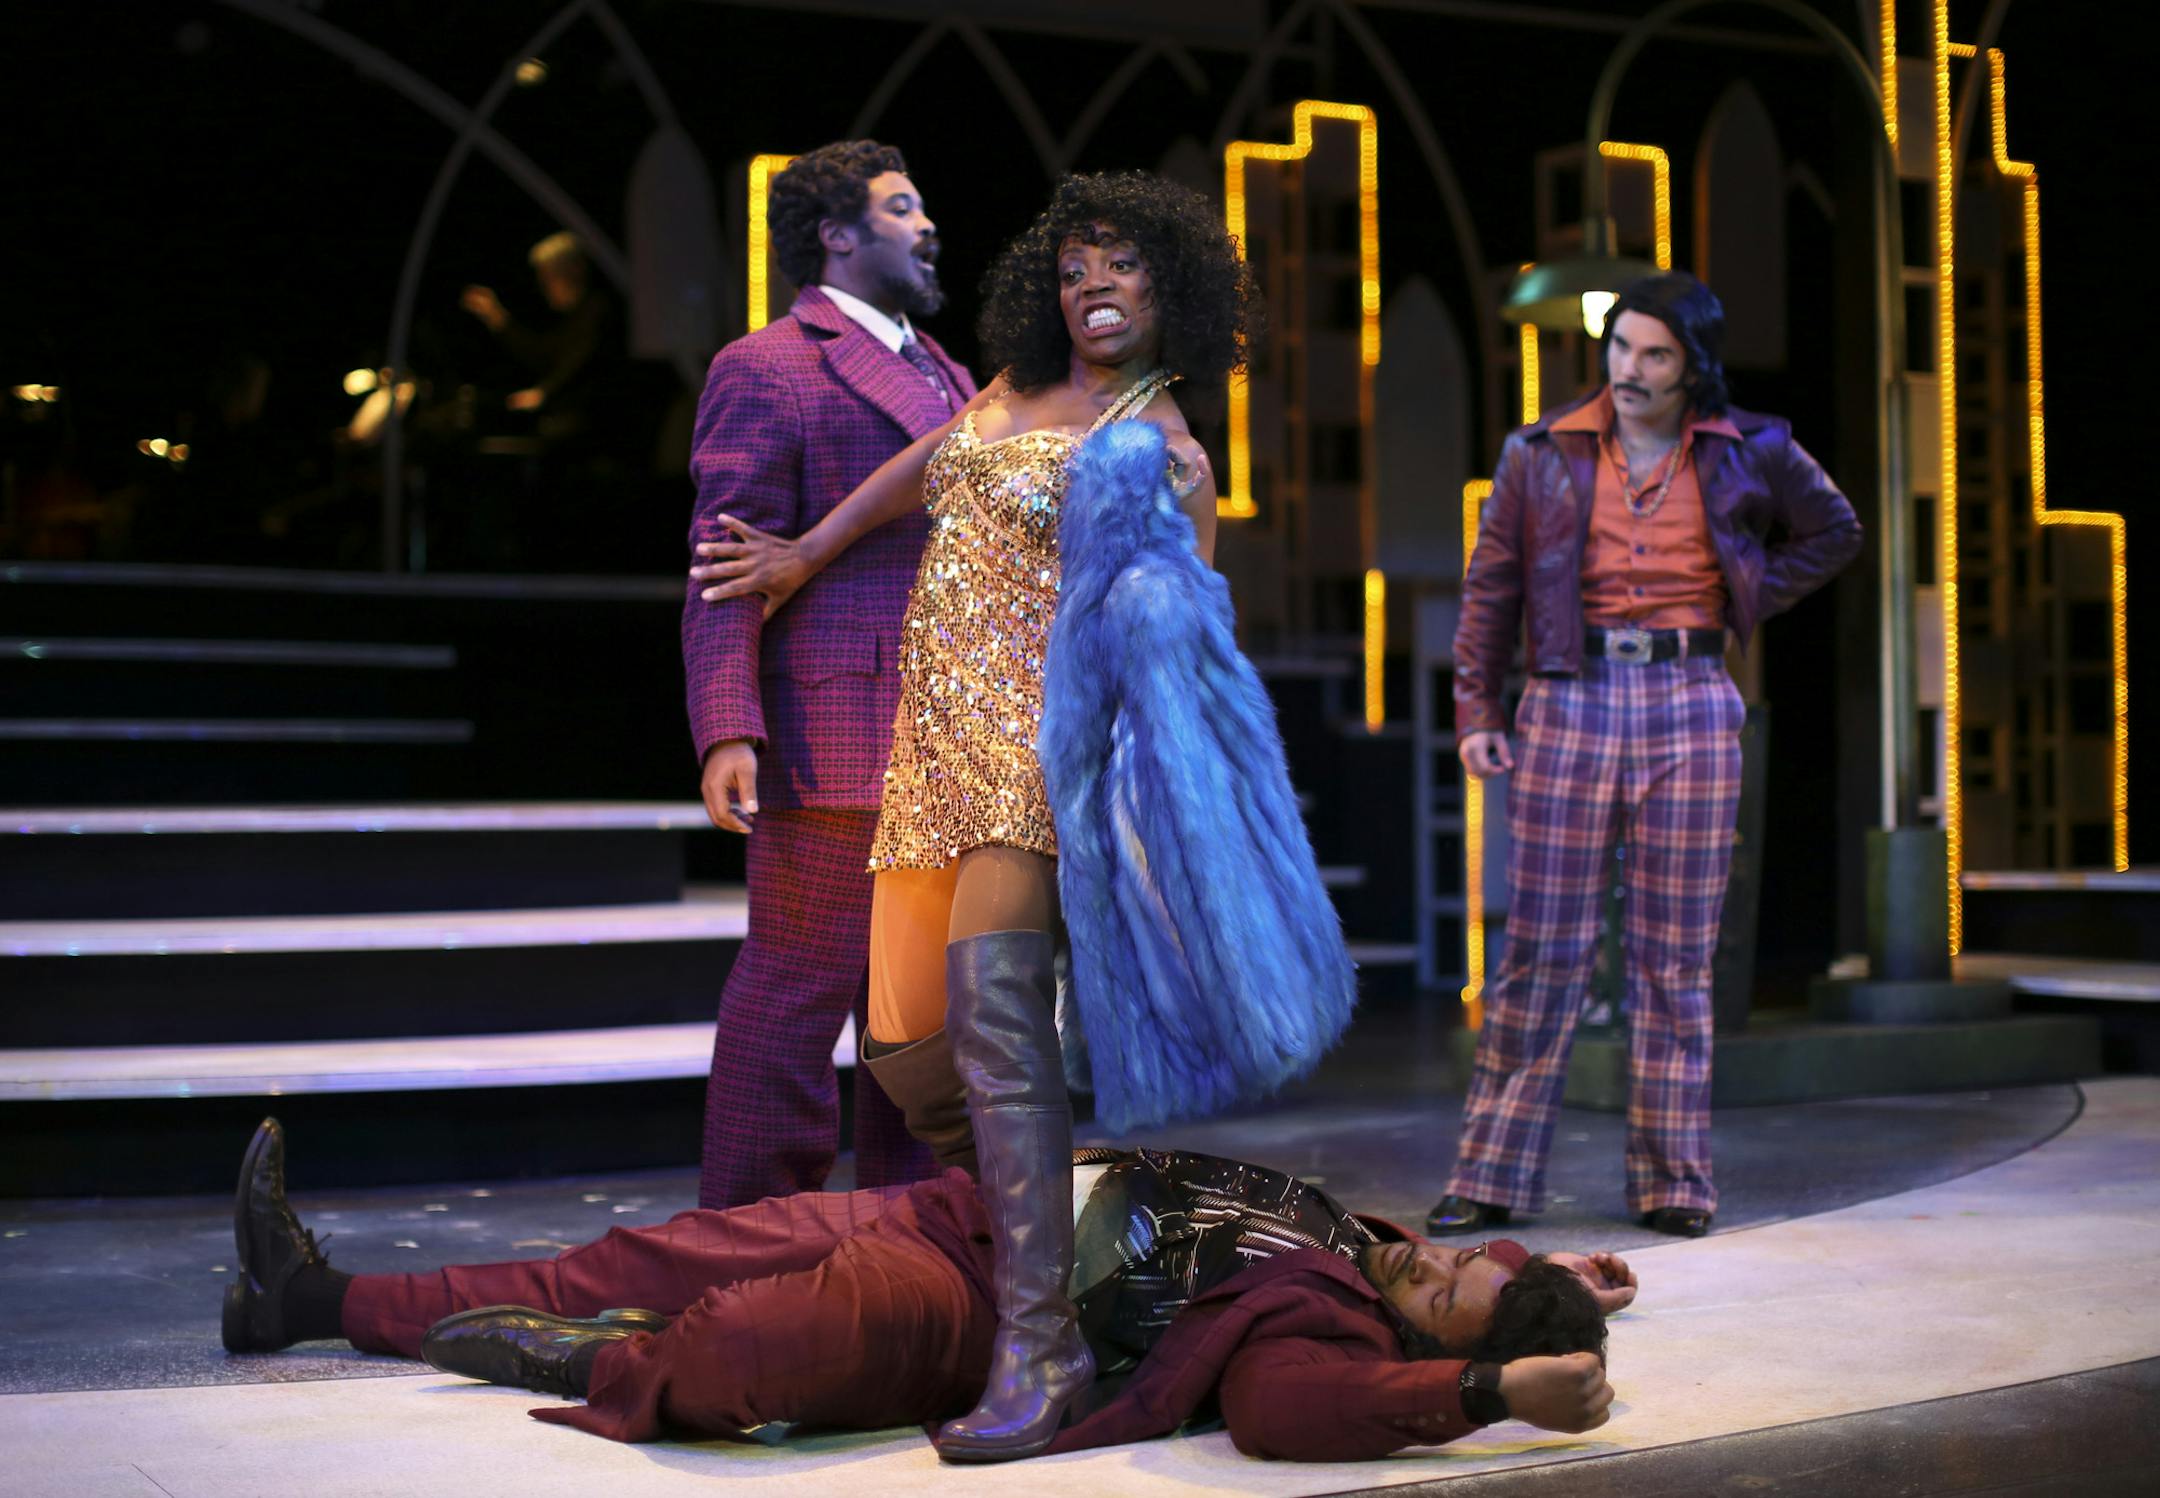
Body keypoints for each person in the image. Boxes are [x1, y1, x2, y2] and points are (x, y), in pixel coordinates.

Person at [693, 173, 1350, 1461]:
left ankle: (1040, 1352)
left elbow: (1175, 650)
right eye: (1074, 269)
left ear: (1176, 291)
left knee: (998, 1037)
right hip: (926, 750)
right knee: (903, 1054)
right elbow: (919, 468)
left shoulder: (1165, 451)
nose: (1093, 288)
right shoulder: (1000, 394)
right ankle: (1105, 1242)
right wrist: (802, 553)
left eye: (1123, 268)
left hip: (1033, 762)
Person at [222, 1118, 1626, 1461]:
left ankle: (596, 1361)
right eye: (1454, 1250)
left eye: (1442, 1285)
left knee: (755, 1341)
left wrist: (1487, 1385)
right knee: (636, 1256)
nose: (1424, 1256)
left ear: (1420, 1340)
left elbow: (1282, 1408)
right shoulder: (1342, 1235)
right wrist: (1561, 1280)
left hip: (975, 1308)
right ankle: (307, 1296)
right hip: (952, 1209)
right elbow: (1474, 1287)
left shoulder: (1318, 1325)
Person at [1432, 272, 1863, 1242]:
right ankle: (1490, 1173)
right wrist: (1475, 705)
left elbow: (1836, 529)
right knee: (1542, 947)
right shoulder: (1540, 453)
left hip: (1692, 696)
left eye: (1654, 354)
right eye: (1621, 346)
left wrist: (1747, 590)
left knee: (1676, 955)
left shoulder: (1751, 448)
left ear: (1692, 366)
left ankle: (1675, 1180)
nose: (1629, 369)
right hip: (1569, 693)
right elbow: (1489, 586)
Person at [678, 141, 978, 1212]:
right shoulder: (769, 364)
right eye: (903, 207)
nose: (927, 223)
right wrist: (727, 722)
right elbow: (726, 561)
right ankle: (751, 1236)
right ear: (837, 235)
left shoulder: (952, 372)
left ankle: (912, 1243)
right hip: (837, 726)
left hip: (950, 737)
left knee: (917, 1018)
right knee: (797, 997)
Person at [460, 232, 620, 442]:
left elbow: (579, 363)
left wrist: (544, 393)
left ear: (574, 270)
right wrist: (496, 317)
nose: (544, 288)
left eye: (549, 278)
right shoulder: (572, 319)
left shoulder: (598, 312)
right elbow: (543, 353)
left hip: (599, 430)